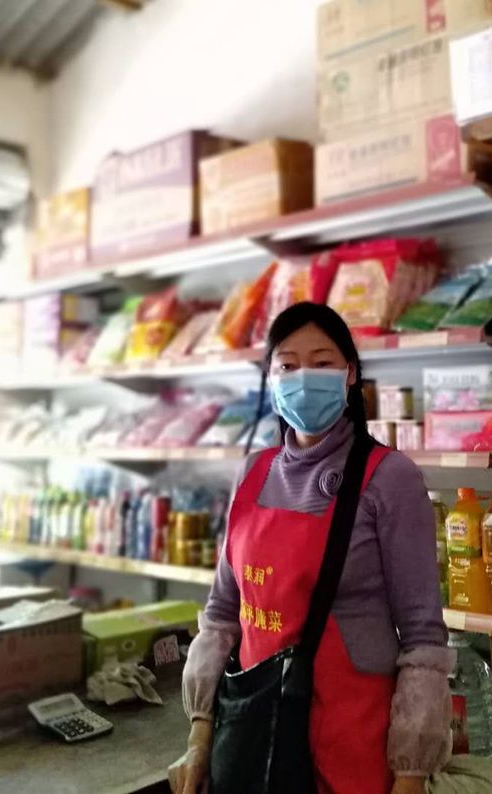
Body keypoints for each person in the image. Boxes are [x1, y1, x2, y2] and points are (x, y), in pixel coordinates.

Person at [172, 302, 452, 794]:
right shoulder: (252, 473)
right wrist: (200, 735)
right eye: (287, 366)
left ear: (350, 374)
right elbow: (221, 614)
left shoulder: (390, 478)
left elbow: (422, 637)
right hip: (256, 739)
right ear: (271, 379)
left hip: (352, 740)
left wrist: (409, 774)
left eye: (322, 363)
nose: (303, 378)